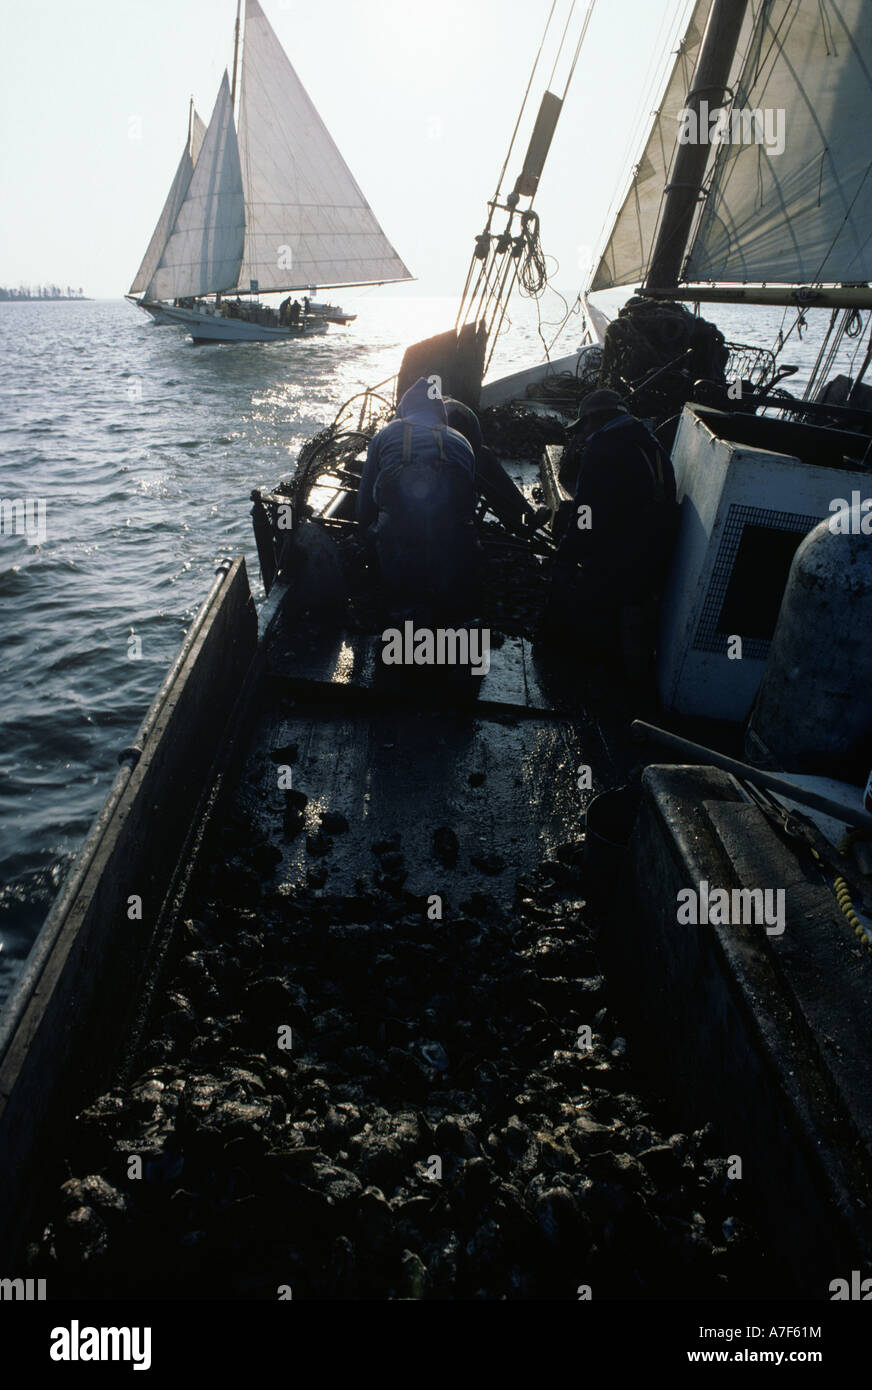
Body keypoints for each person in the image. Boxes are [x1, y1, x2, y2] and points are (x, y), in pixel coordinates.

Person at [541, 388, 678, 668]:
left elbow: (585, 513)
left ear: (596, 419)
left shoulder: (602, 448)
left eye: (584, 426)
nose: (582, 435)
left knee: (566, 610)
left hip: (620, 562)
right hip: (656, 560)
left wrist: (565, 558)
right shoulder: (652, 444)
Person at [356, 377, 478, 621]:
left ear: (405, 410)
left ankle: (403, 607)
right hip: (450, 534)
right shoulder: (461, 440)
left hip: (399, 532)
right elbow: (469, 507)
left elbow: (365, 499)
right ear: (440, 412)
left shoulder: (385, 434)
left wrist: (365, 536)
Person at [441, 396, 549, 536]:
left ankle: (521, 518)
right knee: (483, 458)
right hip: (439, 500)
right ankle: (522, 519)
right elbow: (473, 445)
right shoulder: (457, 414)